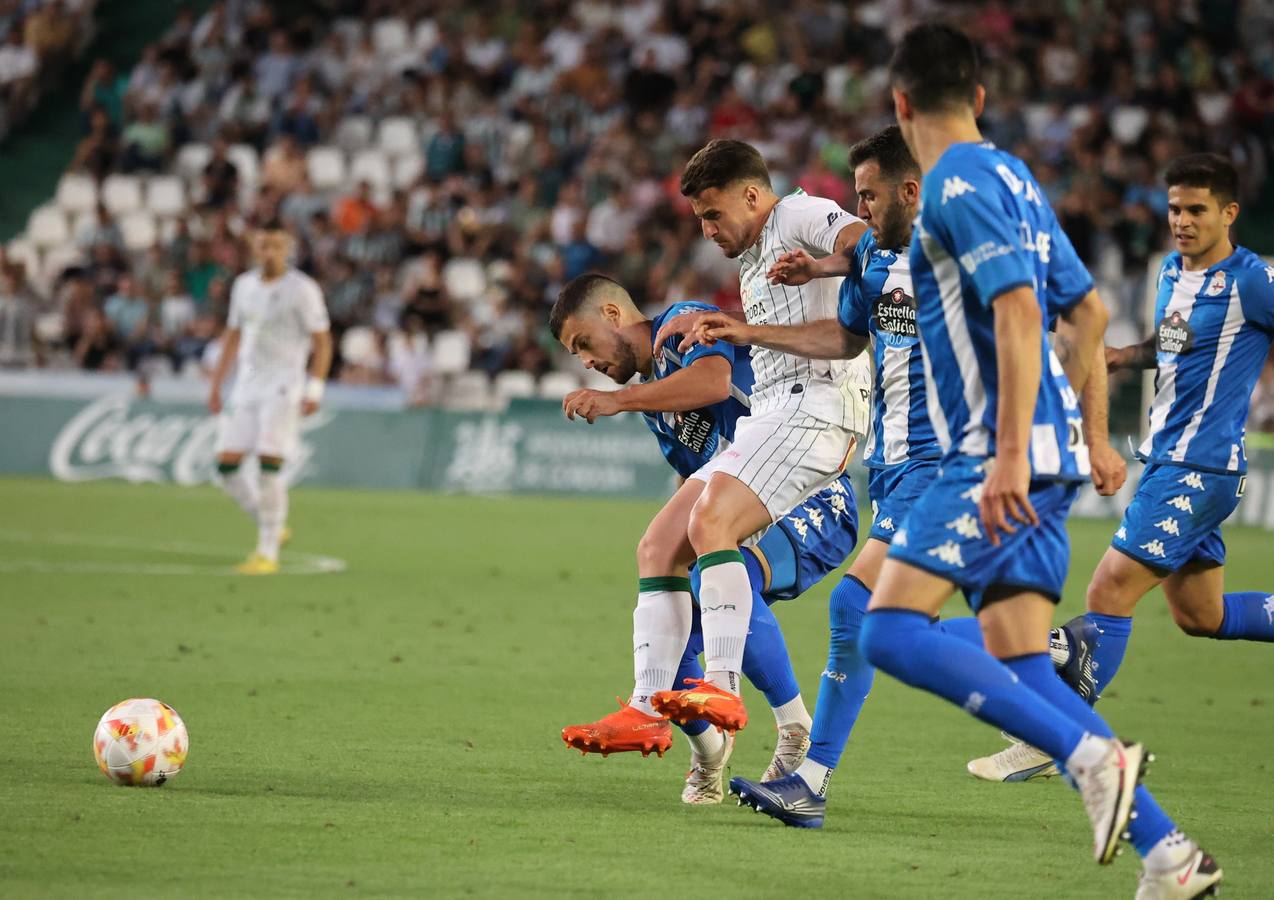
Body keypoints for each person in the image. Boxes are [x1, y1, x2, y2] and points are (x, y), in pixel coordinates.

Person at [851, 24, 1219, 896]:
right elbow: (1086, 314)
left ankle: (1093, 755)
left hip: (989, 455)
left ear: (901, 108)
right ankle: (1168, 856)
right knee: (1018, 662)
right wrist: (1087, 436)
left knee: (888, 630)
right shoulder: (1013, 176)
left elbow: (1023, 312)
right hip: (1043, 457)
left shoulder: (954, 184)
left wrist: (1009, 452)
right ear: (978, 98)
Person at [679, 126, 1098, 826]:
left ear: (909, 189)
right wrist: (751, 332)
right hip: (893, 464)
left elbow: (1053, 327)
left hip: (950, 459)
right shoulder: (875, 258)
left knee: (864, 614)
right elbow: (844, 339)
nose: (859, 211)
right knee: (905, 624)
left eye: (868, 196)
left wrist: (1070, 432)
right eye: (857, 196)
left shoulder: (962, 249)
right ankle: (1060, 660)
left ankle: (811, 778)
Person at [970, 155, 1274, 796]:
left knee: (1108, 592)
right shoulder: (1169, 272)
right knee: (1202, 614)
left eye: (1197, 210)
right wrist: (1117, 357)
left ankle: (1049, 738)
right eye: (1174, 209)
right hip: (1171, 459)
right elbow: (1170, 347)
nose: (1182, 222)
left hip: (1198, 465)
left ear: (1229, 213)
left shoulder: (1253, 280)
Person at [551, 274, 860, 804]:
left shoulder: (682, 322)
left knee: (710, 573)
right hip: (737, 511)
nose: (586, 361)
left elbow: (715, 383)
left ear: (611, 314)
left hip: (813, 499)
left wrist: (620, 400)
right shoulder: (659, 411)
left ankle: (793, 726)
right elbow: (692, 478)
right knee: (670, 621)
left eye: (583, 343)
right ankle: (708, 750)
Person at [640, 140, 868, 737]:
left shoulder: (796, 215)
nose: (708, 230)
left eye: (714, 214)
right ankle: (645, 706)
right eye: (700, 220)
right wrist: (737, 330)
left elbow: (865, 244)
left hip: (816, 406)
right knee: (662, 542)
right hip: (771, 411)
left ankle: (722, 688)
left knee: (709, 524)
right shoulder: (752, 257)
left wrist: (820, 268)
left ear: (750, 194)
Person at [207, 220, 332, 575]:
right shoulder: (243, 286)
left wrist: (315, 388)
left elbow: (322, 341)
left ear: (288, 249)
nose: (269, 252)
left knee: (268, 463)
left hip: (283, 386)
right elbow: (233, 334)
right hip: (246, 385)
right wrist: (217, 384)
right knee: (227, 465)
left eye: (277, 245)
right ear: (253, 248)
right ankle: (272, 523)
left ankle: (267, 553)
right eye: (263, 245)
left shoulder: (302, 290)